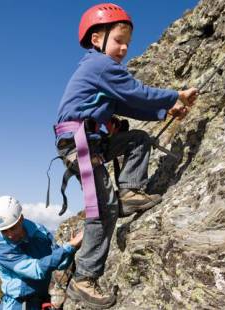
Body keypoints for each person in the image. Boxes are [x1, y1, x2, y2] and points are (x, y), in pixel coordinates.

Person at [54, 3, 198, 308]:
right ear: (97, 39)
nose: (123, 49)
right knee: (102, 208)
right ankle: (84, 278)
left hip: (91, 142)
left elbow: (128, 106)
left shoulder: (101, 71)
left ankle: (130, 192)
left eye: (127, 45)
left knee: (137, 140)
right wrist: (175, 95)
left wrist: (165, 111)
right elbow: (136, 92)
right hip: (79, 144)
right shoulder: (99, 66)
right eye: (119, 41)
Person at [0, 195, 83, 309]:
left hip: (41, 300)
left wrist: (71, 249)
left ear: (21, 219)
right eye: (4, 231)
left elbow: (61, 263)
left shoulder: (40, 232)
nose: (10, 235)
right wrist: (70, 246)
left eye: (13, 228)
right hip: (17, 304)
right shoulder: (1, 250)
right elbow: (36, 270)